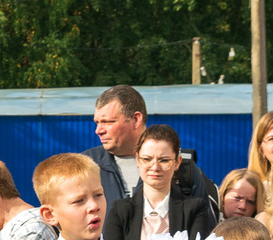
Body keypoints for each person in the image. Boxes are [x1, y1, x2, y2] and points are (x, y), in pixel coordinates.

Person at [90, 84, 218, 206]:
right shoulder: (86, 166)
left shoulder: (184, 169)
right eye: (97, 122)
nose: (98, 130)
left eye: (107, 122)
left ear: (136, 119)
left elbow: (205, 226)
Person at [105, 124, 215, 240]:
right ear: (137, 160)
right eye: (147, 159)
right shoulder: (120, 211)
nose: (155, 167)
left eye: (164, 160)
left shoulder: (194, 210)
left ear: (177, 162)